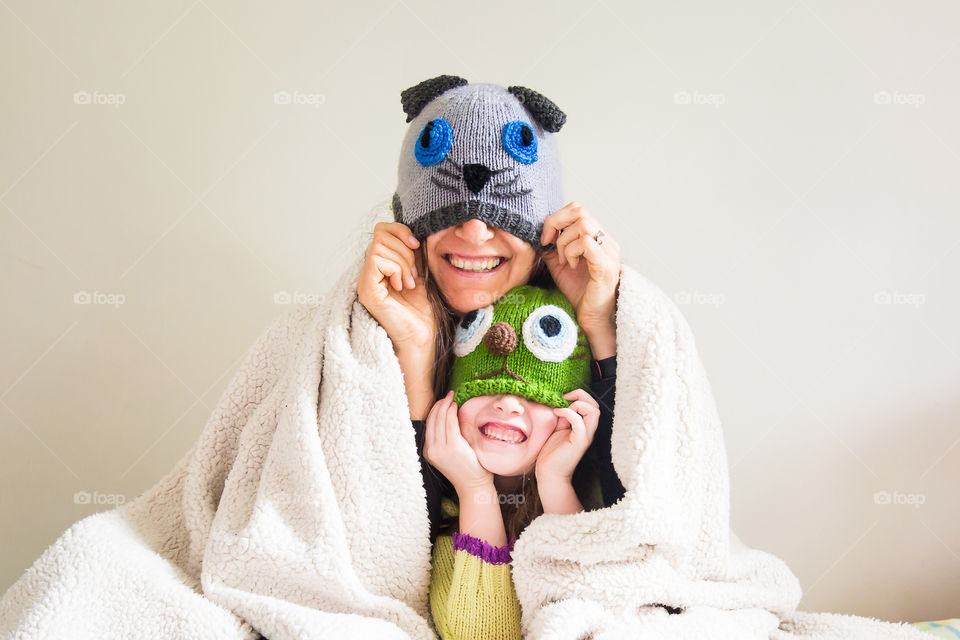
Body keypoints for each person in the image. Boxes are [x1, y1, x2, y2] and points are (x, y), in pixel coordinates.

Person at [419, 283, 610, 639]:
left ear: (571, 416)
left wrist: (556, 482)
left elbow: (595, 610)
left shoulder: (597, 505)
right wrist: (474, 488)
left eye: (535, 398)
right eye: (484, 387)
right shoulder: (441, 514)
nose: (507, 404)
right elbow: (481, 633)